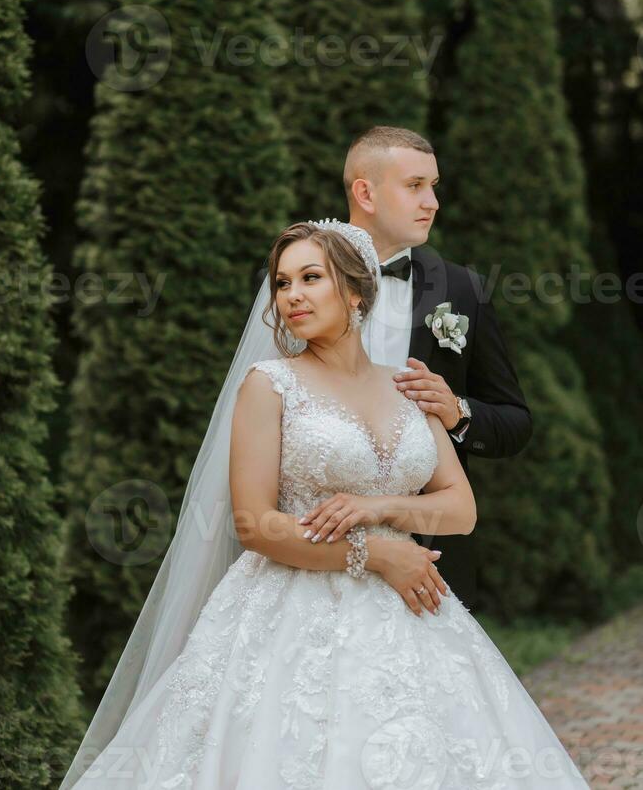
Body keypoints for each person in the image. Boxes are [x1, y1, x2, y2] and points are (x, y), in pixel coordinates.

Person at [61, 218, 587, 789]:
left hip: (410, 607)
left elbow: (460, 509)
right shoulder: (270, 384)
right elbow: (256, 524)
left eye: (311, 277)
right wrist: (376, 557)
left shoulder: (406, 385)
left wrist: (376, 509)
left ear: (357, 292)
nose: (292, 296)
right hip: (290, 607)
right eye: (282, 283)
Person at [253, 125, 533, 610]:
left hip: (429, 557)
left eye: (434, 186)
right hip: (308, 556)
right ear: (366, 192)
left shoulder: (462, 290)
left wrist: (457, 412)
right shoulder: (296, 282)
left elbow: (515, 422)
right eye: (415, 186)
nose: (432, 202)